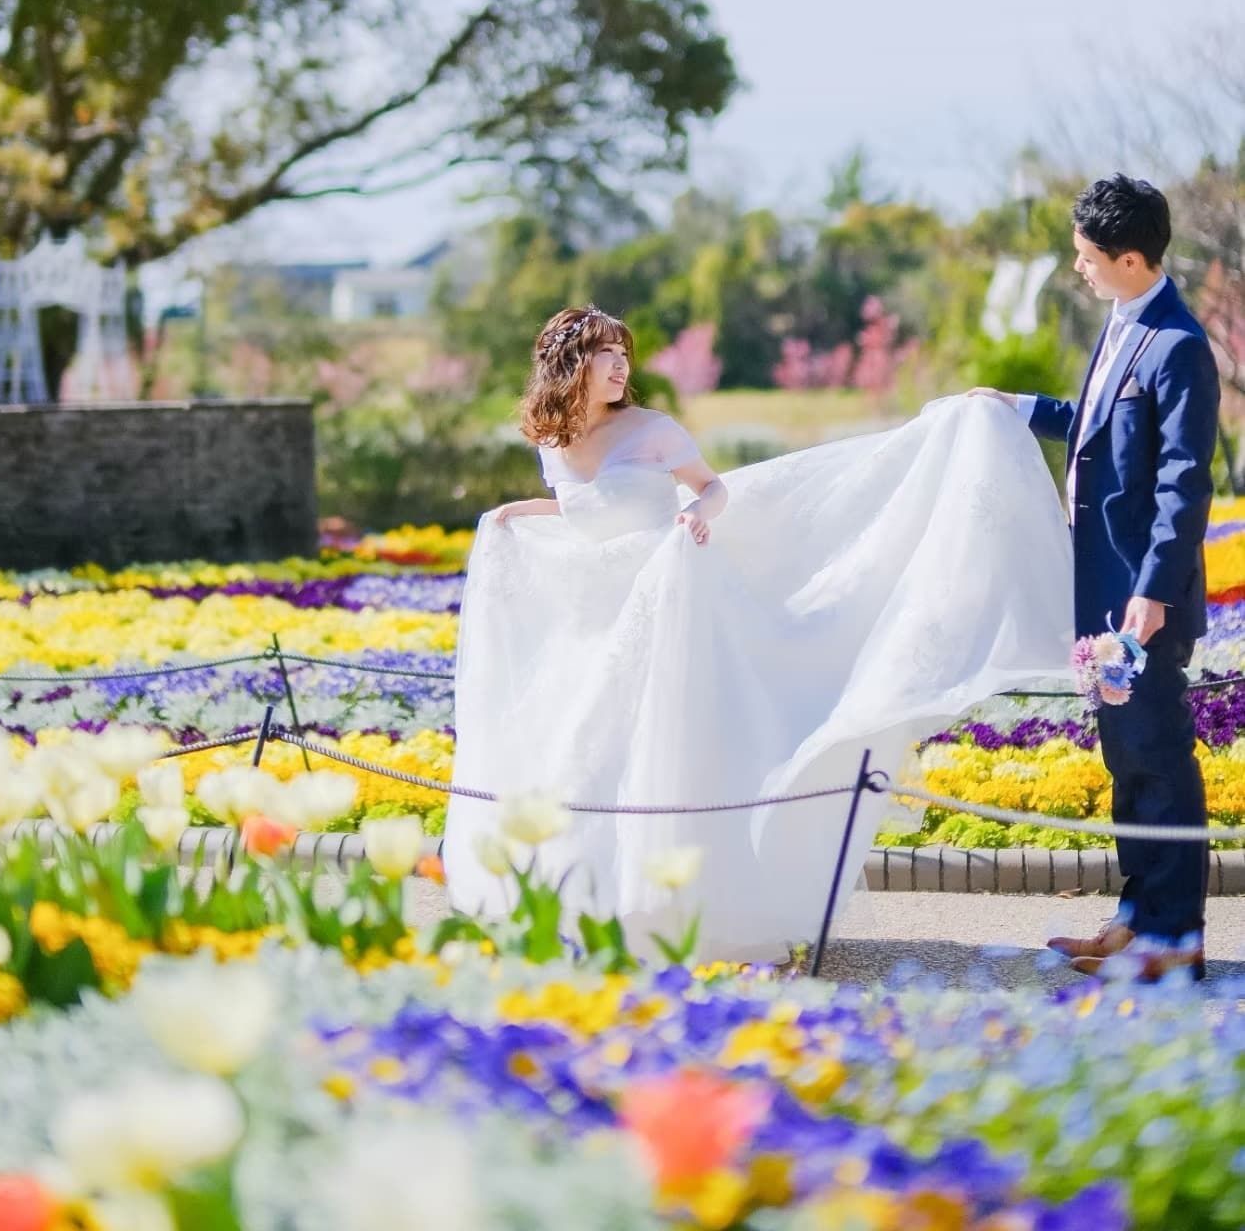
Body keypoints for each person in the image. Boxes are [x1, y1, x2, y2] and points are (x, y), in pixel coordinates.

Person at [445, 305, 1074, 962]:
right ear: (569, 363)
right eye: (606, 354)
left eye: (622, 353)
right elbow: (586, 514)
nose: (620, 365)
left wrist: (695, 516)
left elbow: (709, 488)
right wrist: (513, 515)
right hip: (598, 625)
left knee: (667, 758)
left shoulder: (654, 430)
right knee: (588, 759)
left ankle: (672, 911)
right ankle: (593, 911)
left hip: (672, 614)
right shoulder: (554, 442)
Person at [975, 174, 1220, 981]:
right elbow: (1094, 430)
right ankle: (1132, 918)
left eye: (1084, 255)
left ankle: (1173, 940)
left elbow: (1186, 482)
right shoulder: (1122, 325)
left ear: (1128, 257)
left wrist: (1151, 592)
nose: (1074, 266)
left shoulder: (1178, 345)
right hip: (1100, 596)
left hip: (1140, 603)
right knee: (1126, 762)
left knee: (1157, 758)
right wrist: (1015, 408)